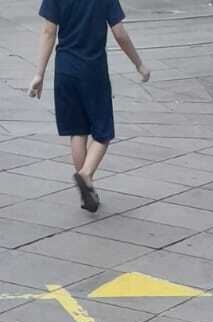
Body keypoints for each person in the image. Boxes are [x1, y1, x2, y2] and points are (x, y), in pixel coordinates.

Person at [29, 0, 149, 214]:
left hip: (65, 69)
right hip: (93, 71)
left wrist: (39, 74)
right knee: (103, 131)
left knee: (77, 131)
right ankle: (86, 175)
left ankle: (88, 192)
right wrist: (138, 64)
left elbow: (48, 31)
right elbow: (120, 34)